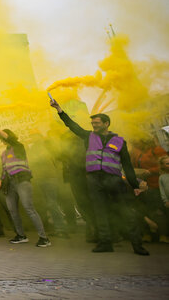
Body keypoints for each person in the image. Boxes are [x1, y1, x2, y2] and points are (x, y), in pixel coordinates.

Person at [50, 99, 148, 255]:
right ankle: (105, 243)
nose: (94, 125)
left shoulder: (119, 142)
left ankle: (137, 245)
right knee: (100, 212)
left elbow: (127, 165)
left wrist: (135, 185)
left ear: (106, 123)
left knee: (126, 212)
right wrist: (59, 110)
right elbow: (72, 125)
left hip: (114, 181)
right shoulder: (88, 137)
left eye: (97, 123)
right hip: (95, 181)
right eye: (93, 123)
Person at [0, 121, 50, 248]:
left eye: (2, 138)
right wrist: (1, 182)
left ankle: (44, 238)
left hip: (21, 181)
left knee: (29, 208)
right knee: (12, 210)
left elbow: (10, 139)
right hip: (9, 184)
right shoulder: (4, 153)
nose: (2, 141)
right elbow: (4, 169)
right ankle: (21, 236)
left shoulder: (18, 146)